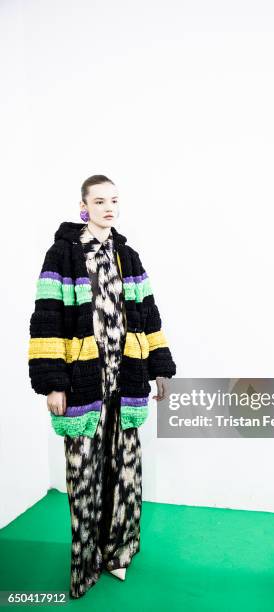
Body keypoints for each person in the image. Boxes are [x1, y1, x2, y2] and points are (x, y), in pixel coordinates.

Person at [28, 174, 177, 598]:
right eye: (99, 201)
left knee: (126, 471)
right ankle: (85, 562)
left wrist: (159, 367)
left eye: (114, 200)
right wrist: (53, 383)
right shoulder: (62, 254)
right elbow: (47, 318)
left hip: (125, 379)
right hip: (82, 383)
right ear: (83, 206)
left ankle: (119, 552)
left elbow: (148, 313)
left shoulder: (128, 256)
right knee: (84, 474)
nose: (108, 207)